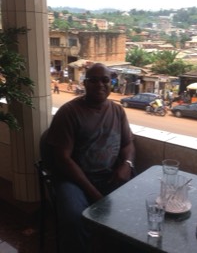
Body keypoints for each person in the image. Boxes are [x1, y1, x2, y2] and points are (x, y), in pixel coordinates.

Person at [46, 63, 136, 253]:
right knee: (74, 218)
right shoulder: (69, 112)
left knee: (136, 209)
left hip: (109, 176)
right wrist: (94, 193)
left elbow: (128, 144)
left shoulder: (117, 111)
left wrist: (126, 164)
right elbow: (62, 158)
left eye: (105, 80)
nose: (100, 85)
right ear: (85, 84)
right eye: (93, 80)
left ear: (111, 83)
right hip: (74, 181)